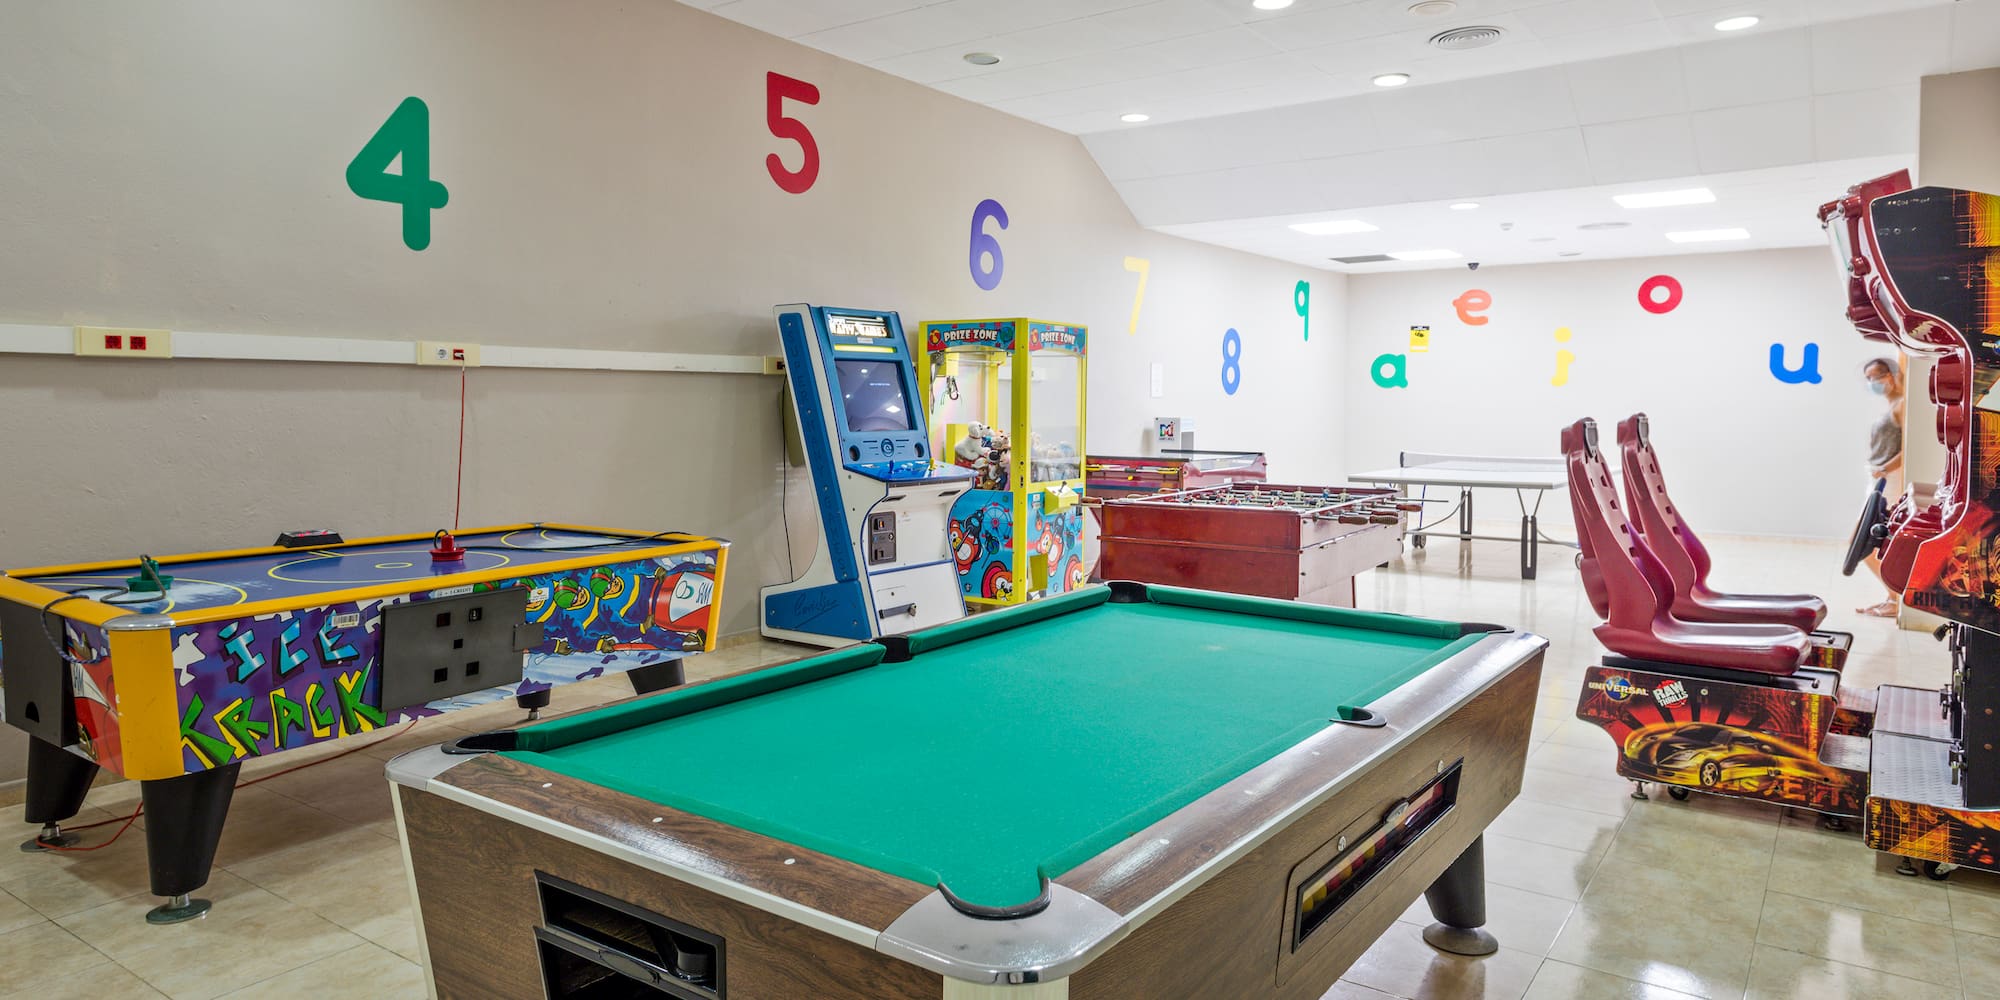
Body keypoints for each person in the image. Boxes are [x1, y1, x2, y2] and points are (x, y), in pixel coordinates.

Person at [1859, 357, 1906, 617]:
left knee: (1864, 541)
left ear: (1891, 375)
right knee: (1869, 544)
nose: (1873, 382)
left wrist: (1887, 469)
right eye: (1868, 378)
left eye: (1877, 375)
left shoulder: (1902, 406)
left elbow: (1910, 446)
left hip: (1889, 482)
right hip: (1878, 480)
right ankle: (1892, 598)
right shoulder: (1890, 406)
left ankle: (1897, 598)